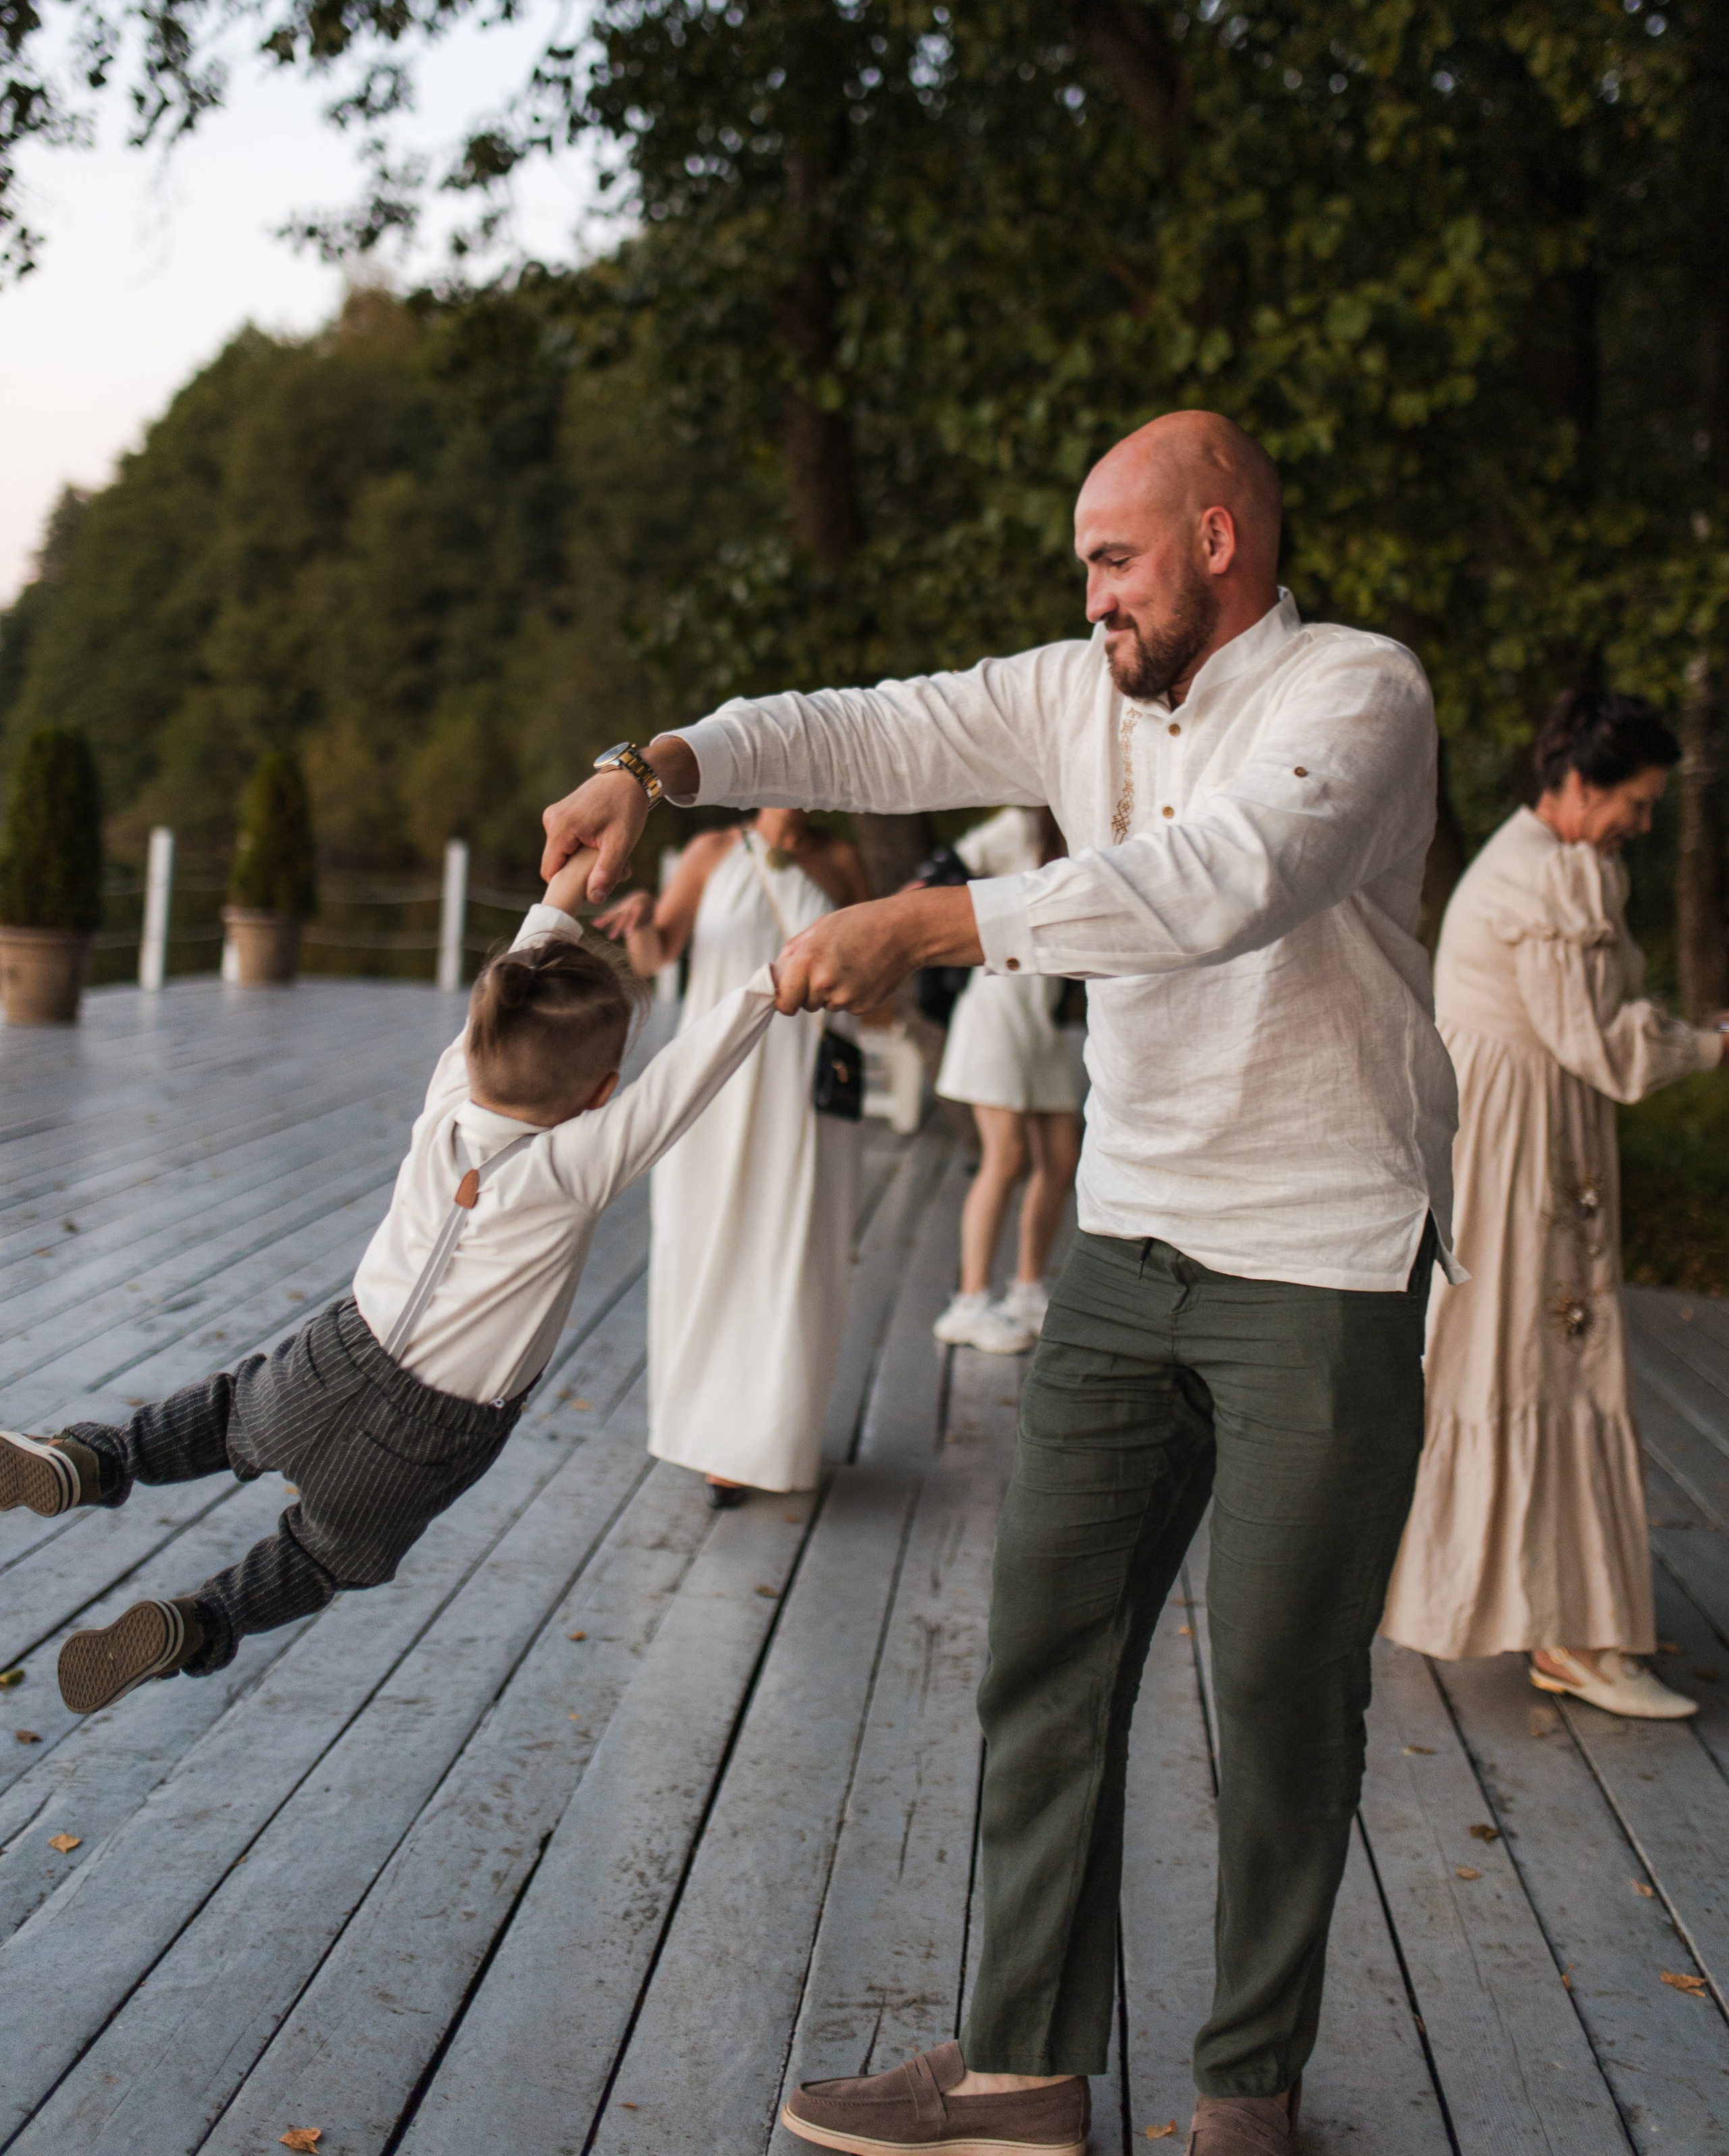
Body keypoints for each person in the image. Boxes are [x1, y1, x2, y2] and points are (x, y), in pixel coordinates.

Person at [544, 409, 1460, 2156]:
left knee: (1280, 1687)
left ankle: (1246, 2095)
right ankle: (1023, 2072)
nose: (1093, 599)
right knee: (1044, 1657)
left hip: (1322, 1258)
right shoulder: (1077, 689)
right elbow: (869, 724)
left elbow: (1230, 881)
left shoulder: (1359, 692)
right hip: (1122, 1248)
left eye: (1114, 562)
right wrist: (650, 766)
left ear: (1216, 538)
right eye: (1081, 575)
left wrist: (938, 927)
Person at [0, 846, 780, 1716]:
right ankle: (198, 1622)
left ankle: (91, 1459)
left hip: (340, 1351)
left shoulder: (450, 1089)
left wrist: (565, 887)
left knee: (227, 1416)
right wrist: (772, 985)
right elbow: (686, 1077)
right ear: (601, 1093)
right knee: (322, 1555)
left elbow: (526, 961)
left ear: (480, 1041)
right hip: (433, 1431)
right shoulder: (579, 1165)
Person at [1381, 688, 1725, 1718]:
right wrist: (1711, 1046)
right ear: (1577, 786)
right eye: (1638, 801)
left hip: (1529, 1125)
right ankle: (1569, 1630)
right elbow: (1605, 1044)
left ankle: (1559, 1609)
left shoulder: (1555, 863)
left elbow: (1595, 1022)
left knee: (1539, 1357)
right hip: (1519, 1143)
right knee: (1544, 1357)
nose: (1644, 823)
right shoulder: (1546, 880)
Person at [598, 808, 867, 1504]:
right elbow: (658, 956)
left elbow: (873, 979)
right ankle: (710, 1436)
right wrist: (643, 921)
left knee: (792, 1254)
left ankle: (771, 1441)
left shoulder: (840, 863)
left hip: (802, 1085)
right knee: (706, 1246)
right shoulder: (712, 851)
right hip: (714, 1077)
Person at [931, 807, 1083, 1355]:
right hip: (996, 1003)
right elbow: (941, 873)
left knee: (1062, 1157)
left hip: (1039, 1013)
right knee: (1007, 1156)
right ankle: (968, 1304)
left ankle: (1026, 1290)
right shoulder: (1020, 825)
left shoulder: (1084, 825)